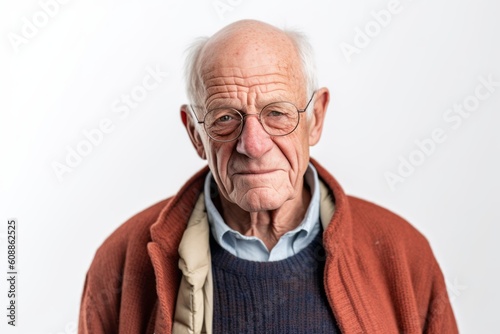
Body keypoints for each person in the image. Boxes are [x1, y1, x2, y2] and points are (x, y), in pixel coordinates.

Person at [78, 20, 458, 333]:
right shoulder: (123, 261)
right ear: (195, 133)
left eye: (277, 113)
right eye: (225, 118)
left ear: (316, 119)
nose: (254, 145)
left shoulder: (401, 252)